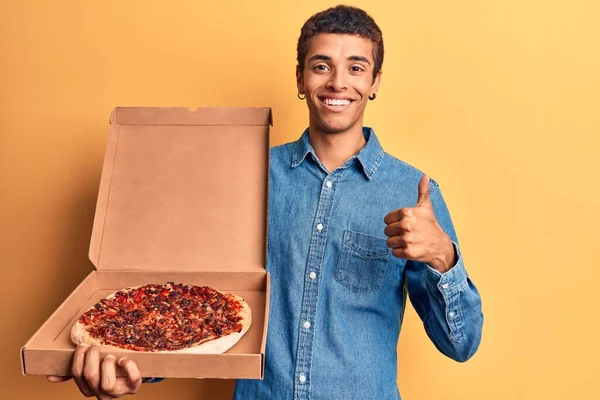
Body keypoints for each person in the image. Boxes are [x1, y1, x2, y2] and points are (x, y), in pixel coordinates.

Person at [49, 5, 483, 400]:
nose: (338, 82)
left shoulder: (414, 192)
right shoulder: (248, 178)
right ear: (300, 78)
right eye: (321, 66)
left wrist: (444, 258)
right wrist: (136, 367)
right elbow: (194, 304)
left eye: (356, 67)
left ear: (374, 83)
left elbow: (460, 345)